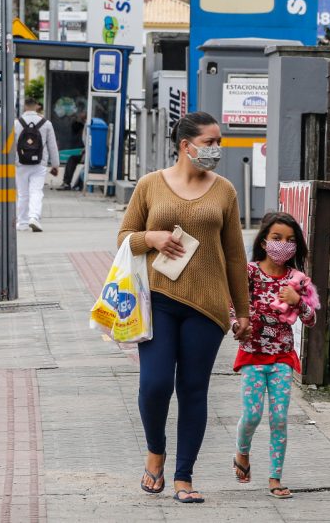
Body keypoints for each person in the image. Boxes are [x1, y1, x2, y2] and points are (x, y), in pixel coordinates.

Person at [117, 111, 250, 504]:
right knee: (155, 384)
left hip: (206, 307)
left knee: (193, 389)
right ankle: (155, 452)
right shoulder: (150, 185)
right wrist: (151, 237)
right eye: (209, 142)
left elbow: (235, 256)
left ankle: (184, 477)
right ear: (185, 145)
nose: (215, 150)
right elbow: (124, 237)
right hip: (157, 300)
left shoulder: (224, 190)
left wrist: (242, 311)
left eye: (218, 143)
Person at [230, 211, 317, 500]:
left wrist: (298, 301)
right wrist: (236, 324)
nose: (284, 245)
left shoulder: (298, 279)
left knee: (279, 418)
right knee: (252, 415)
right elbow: (233, 307)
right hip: (253, 356)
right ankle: (242, 453)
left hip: (282, 358)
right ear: (265, 242)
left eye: (291, 240)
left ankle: (275, 478)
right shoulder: (250, 272)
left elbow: (311, 319)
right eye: (277, 238)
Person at [14, 98, 60, 232]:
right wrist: (55, 165)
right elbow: (52, 145)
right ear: (37, 107)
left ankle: (22, 222)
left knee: (22, 194)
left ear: (25, 107)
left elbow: (11, 145)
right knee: (36, 191)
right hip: (39, 163)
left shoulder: (16, 123)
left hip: (20, 163)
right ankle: (34, 217)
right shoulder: (46, 124)